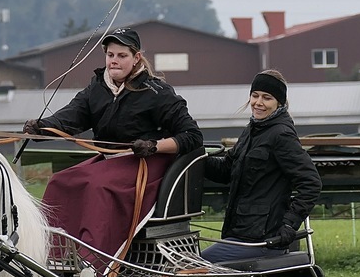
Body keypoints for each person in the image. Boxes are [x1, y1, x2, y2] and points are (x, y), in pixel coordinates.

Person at [23, 27, 203, 258]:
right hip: (109, 165)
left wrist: (153, 146)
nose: (114, 61)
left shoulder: (158, 93)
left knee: (98, 186)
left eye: (122, 56)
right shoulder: (97, 88)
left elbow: (192, 136)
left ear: (136, 57)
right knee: (60, 182)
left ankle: (94, 262)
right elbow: (70, 117)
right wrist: (42, 126)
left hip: (146, 167)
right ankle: (51, 256)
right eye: (110, 55)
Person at [200, 69, 321, 263]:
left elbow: (311, 183)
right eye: (255, 96)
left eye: (267, 98)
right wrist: (194, 156)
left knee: (199, 263)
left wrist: (289, 225)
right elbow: (226, 171)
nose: (258, 102)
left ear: (279, 103)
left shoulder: (281, 134)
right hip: (242, 233)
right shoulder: (252, 130)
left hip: (264, 239)